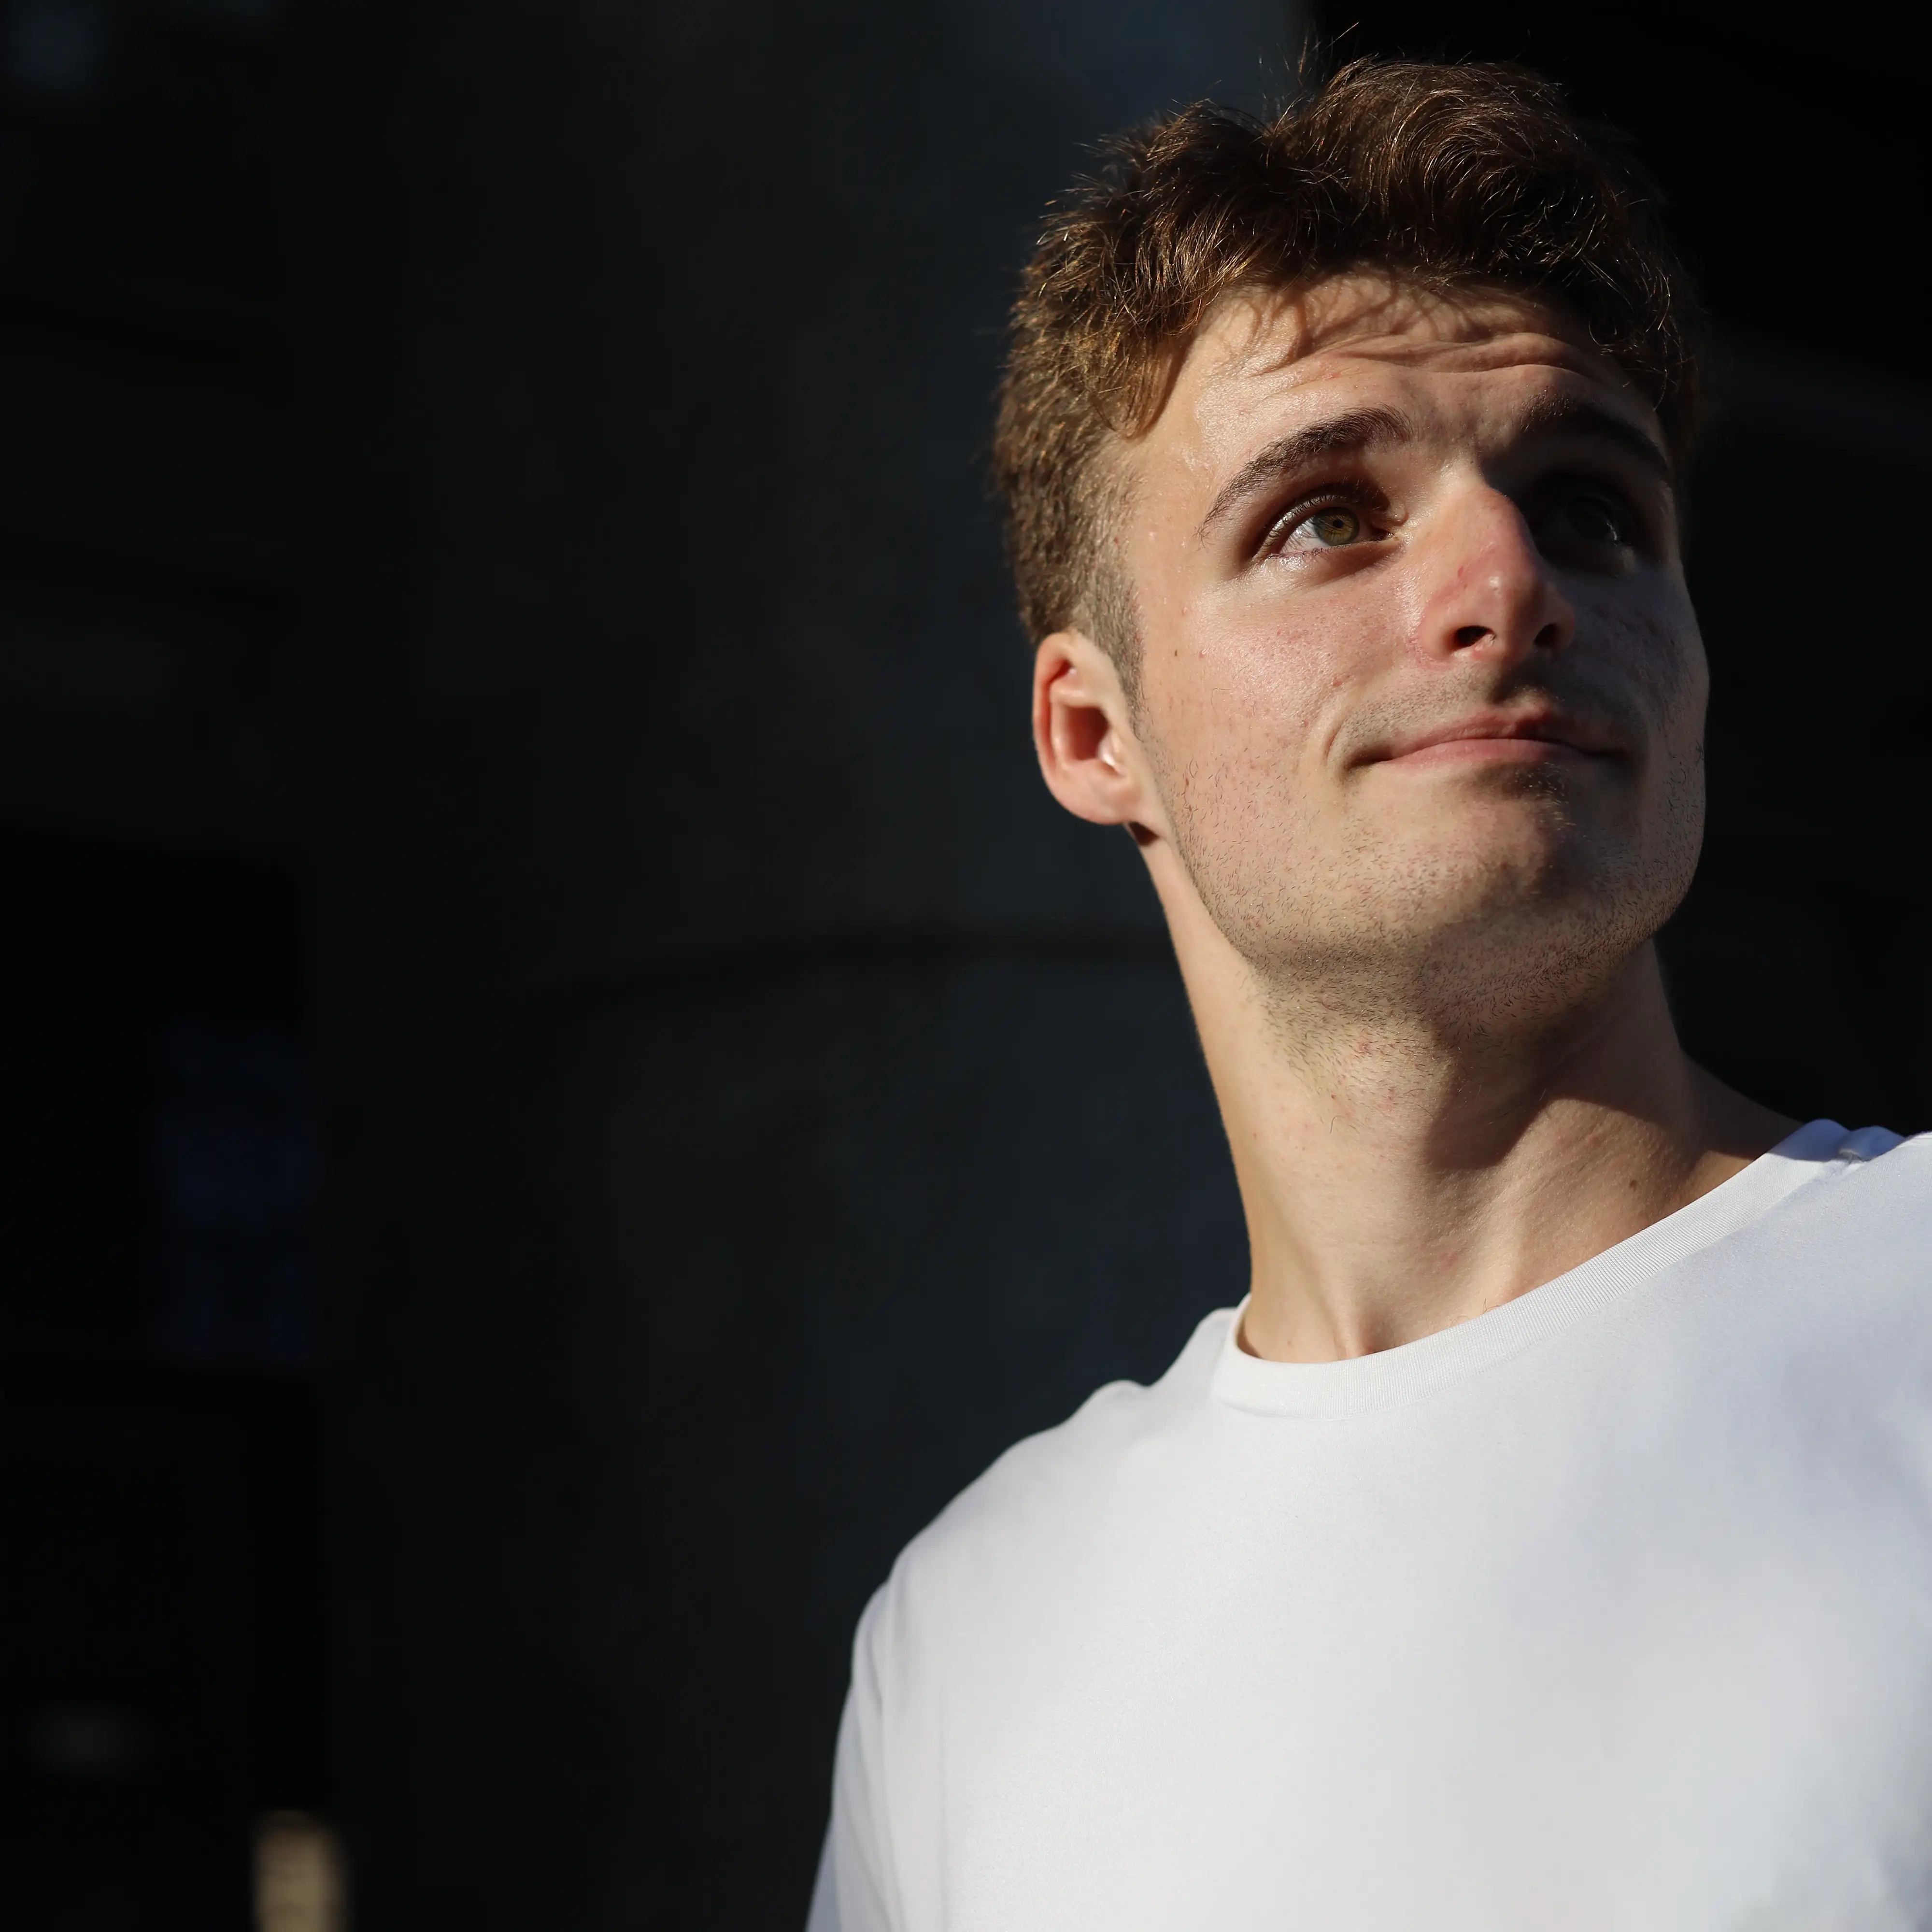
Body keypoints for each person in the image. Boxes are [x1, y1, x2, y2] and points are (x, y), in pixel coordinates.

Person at [808, 59, 1932, 1930]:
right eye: (1324, 516)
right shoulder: (975, 1634)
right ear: (1097, 731)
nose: (1506, 576)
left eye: (1590, 509)